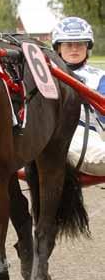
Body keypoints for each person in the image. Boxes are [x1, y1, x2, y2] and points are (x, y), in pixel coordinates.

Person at [52, 16, 105, 175]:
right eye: (69, 44)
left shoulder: (99, 76)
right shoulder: (45, 75)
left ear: (87, 47)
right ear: (59, 48)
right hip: (61, 138)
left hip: (93, 136)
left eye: (80, 44)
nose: (74, 48)